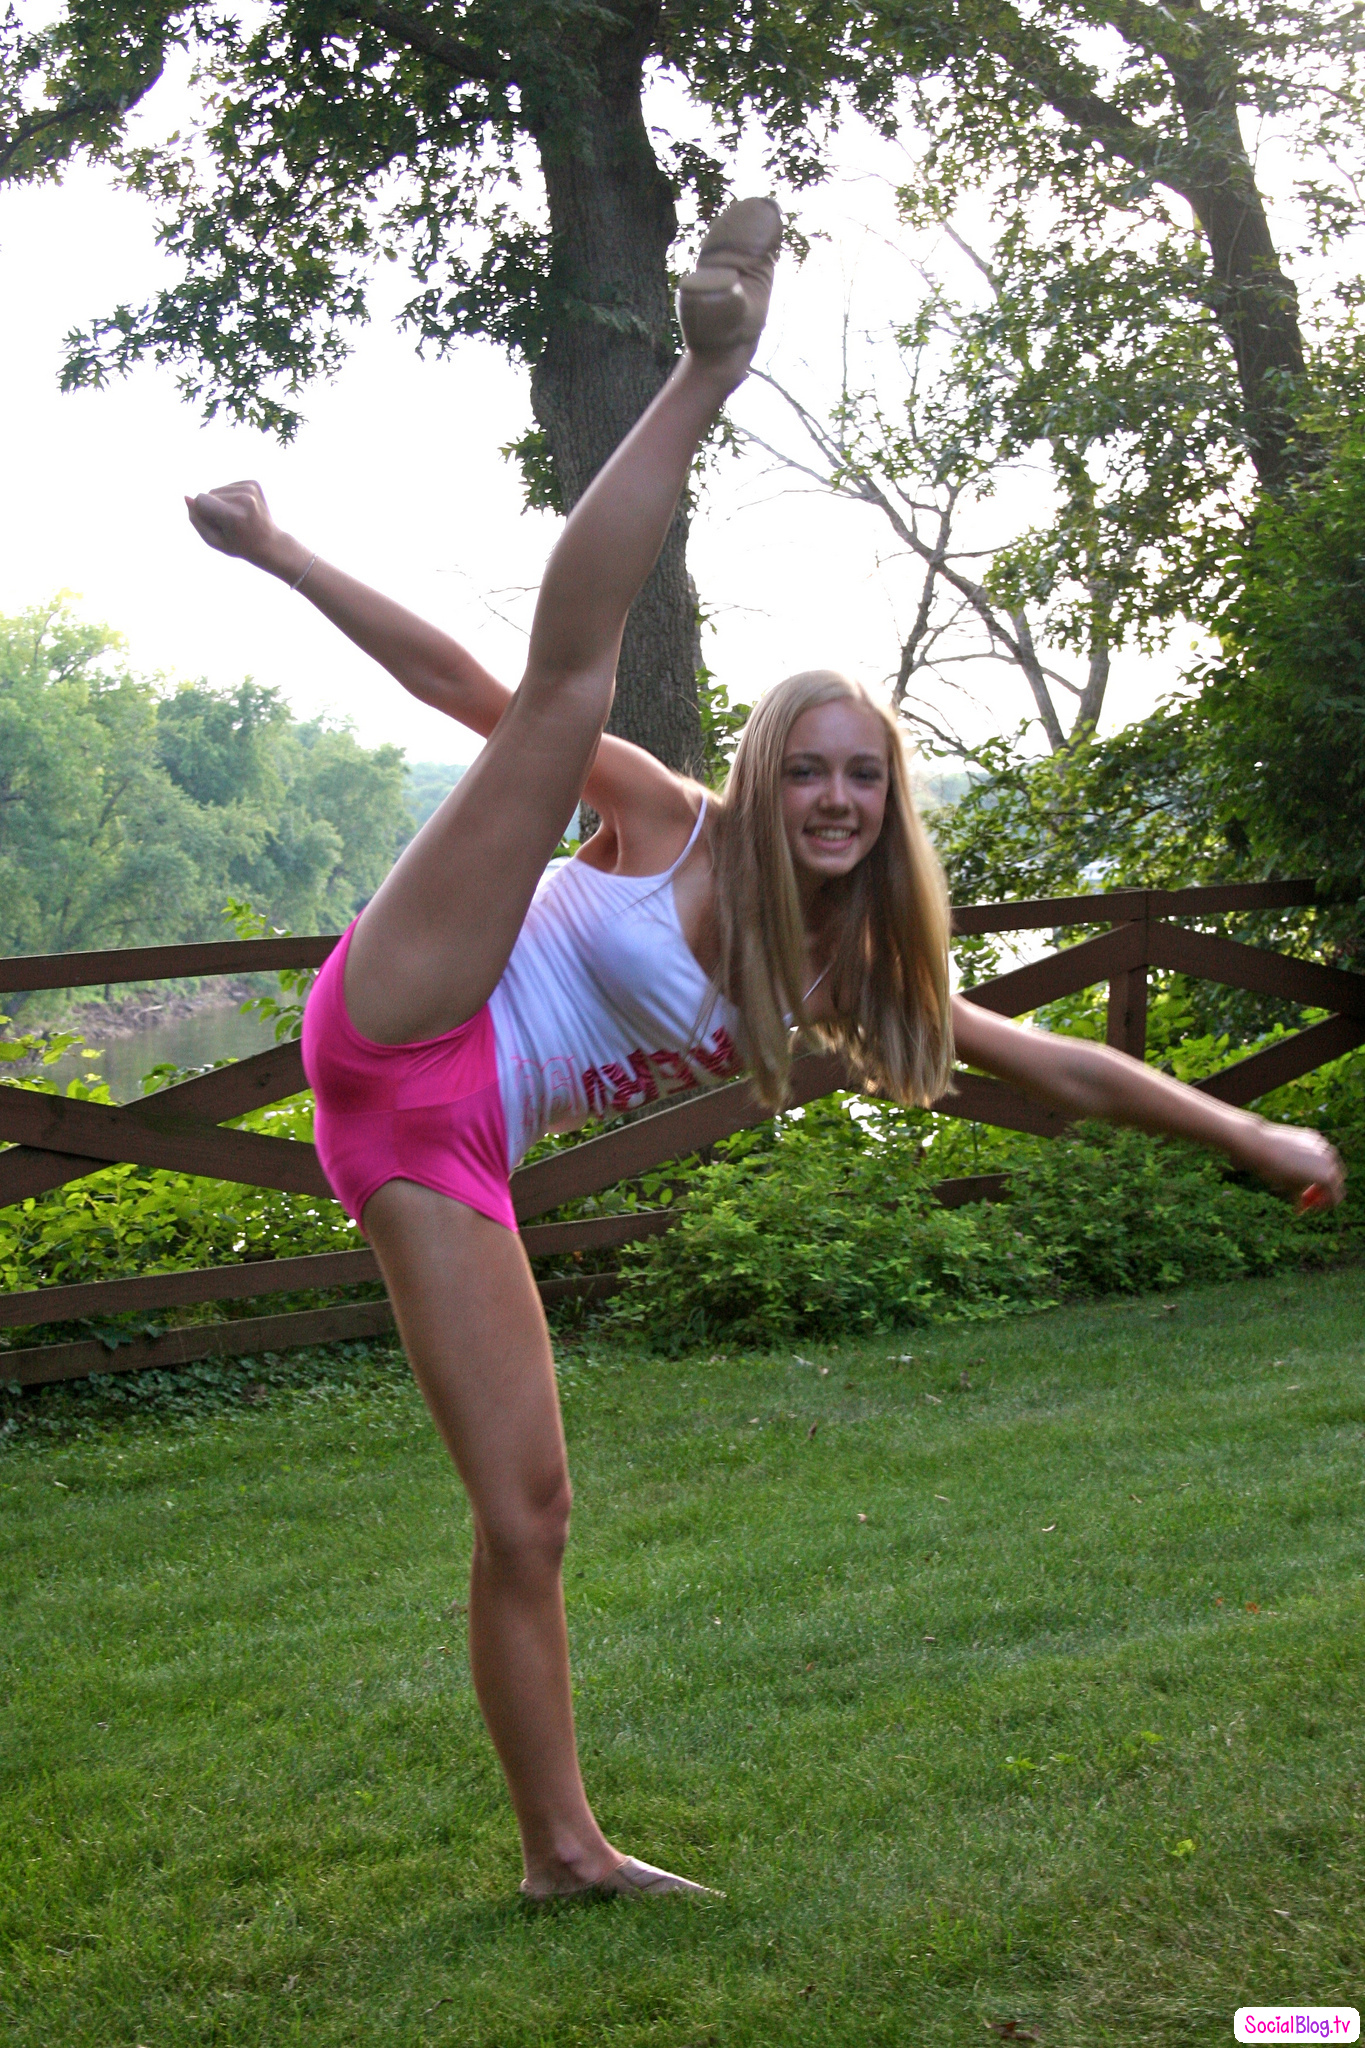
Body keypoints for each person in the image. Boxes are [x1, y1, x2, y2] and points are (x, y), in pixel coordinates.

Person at [187, 197, 1343, 1901]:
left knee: (528, 1515)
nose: (830, 796)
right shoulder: (674, 822)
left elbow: (1050, 1065)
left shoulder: (837, 981)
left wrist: (1248, 1139)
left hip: (439, 1144)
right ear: (761, 776)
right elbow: (466, 685)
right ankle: (709, 368)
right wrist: (284, 555)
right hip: (408, 1010)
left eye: (859, 775)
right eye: (804, 767)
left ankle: (562, 1854)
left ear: (887, 805)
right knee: (560, 698)